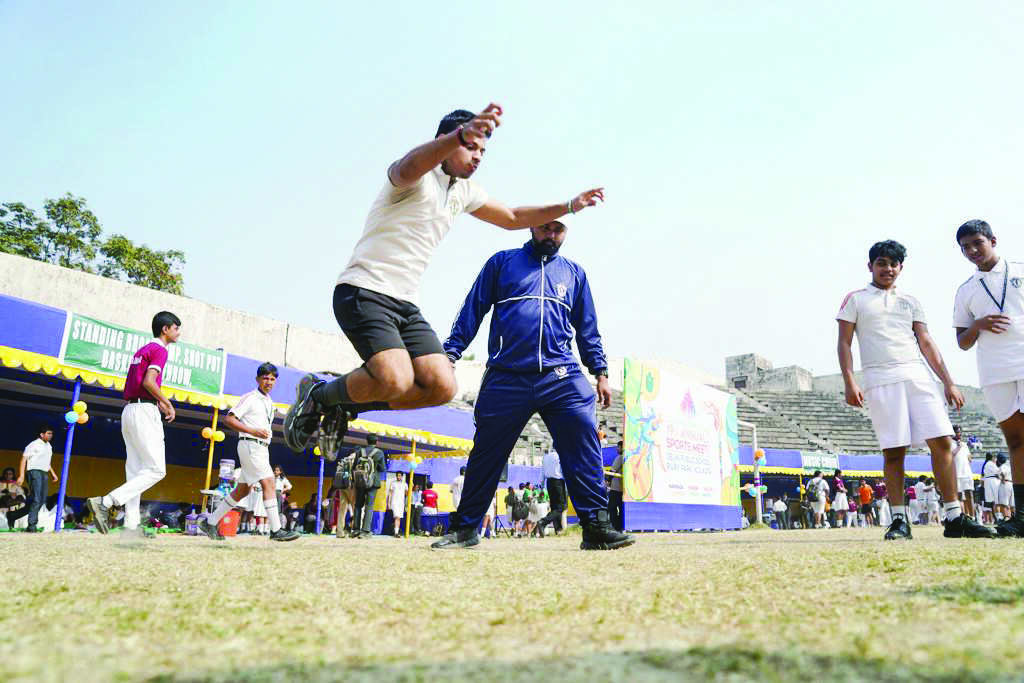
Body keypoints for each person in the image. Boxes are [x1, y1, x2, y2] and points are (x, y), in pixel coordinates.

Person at [281, 104, 606, 458]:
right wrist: (459, 136)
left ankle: (345, 408)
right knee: (396, 378)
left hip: (404, 303)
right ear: (447, 141)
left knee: (441, 386)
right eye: (471, 146)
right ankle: (318, 394)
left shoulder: (463, 191)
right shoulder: (414, 178)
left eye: (483, 150)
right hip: (364, 290)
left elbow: (513, 217)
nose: (478, 156)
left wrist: (569, 206)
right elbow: (408, 165)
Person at [432, 219, 632, 551]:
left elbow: (588, 328)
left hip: (560, 373)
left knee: (583, 439)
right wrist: (450, 352)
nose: (551, 235)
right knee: (486, 453)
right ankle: (465, 529)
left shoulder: (574, 274)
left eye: (559, 230)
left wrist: (600, 372)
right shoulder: (502, 263)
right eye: (545, 228)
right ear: (531, 227)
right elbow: (473, 308)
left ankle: (596, 527)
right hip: (507, 375)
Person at [837, 240, 992, 539]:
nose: (888, 269)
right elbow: (844, 342)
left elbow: (926, 343)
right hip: (881, 380)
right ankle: (898, 520)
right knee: (894, 451)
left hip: (918, 377)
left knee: (943, 443)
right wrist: (849, 381)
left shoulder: (910, 301)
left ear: (901, 268)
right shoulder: (855, 299)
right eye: (882, 263)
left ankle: (954, 516)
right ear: (870, 266)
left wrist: (948, 381)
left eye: (894, 264)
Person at [954, 219, 1024, 536]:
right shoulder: (966, 290)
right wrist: (978, 324)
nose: (972, 251)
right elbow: (962, 342)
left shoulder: (1020, 270)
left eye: (977, 243)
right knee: (1016, 441)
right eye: (965, 247)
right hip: (995, 371)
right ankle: (1021, 516)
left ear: (993, 240)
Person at [86, 311, 181, 534]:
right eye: (176, 328)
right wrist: (166, 402)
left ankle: (131, 524)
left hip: (129, 409)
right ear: (165, 329)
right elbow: (149, 381)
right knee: (157, 470)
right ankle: (106, 501)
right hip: (144, 411)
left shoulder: (142, 350)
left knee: (135, 470)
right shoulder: (160, 350)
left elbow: (141, 382)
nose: (179, 332)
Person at [198, 363, 298, 542]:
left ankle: (210, 523)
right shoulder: (250, 398)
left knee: (242, 490)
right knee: (269, 482)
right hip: (251, 444)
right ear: (258, 379)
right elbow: (229, 418)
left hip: (259, 447)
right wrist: (253, 431)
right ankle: (276, 530)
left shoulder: (268, 401)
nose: (269, 381)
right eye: (265, 378)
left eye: (272, 378)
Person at [5, 425, 58, 532]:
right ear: (42, 434)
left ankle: (13, 515)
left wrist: (53, 473)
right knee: (37, 499)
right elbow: (23, 460)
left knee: (41, 500)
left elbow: (47, 462)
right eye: (48, 433)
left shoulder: (49, 446)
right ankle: (31, 526)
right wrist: (21, 475)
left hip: (43, 473)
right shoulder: (33, 445)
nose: (50, 435)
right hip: (34, 472)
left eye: (51, 433)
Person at [351, 435, 387, 537]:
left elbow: (354, 467)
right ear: (376, 442)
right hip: (372, 482)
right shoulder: (379, 453)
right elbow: (383, 468)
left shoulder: (359, 452)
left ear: (366, 441)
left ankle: (356, 530)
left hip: (360, 481)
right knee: (369, 505)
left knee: (358, 505)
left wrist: (355, 481)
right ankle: (365, 530)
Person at [538, 449, 568, 534]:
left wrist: (542, 487)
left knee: (554, 507)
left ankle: (558, 529)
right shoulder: (560, 455)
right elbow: (564, 470)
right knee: (561, 507)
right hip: (558, 482)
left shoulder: (546, 456)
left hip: (549, 483)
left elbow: (542, 472)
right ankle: (543, 522)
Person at [952, 425, 976, 518]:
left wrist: (970, 457)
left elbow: (969, 458)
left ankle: (973, 517)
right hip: (956, 474)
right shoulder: (949, 443)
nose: (959, 433)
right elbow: (950, 456)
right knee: (958, 496)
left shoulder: (965, 444)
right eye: (957, 431)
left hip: (966, 473)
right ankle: (960, 517)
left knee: (969, 495)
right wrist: (958, 447)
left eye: (960, 431)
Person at [332, 451, 356, 538]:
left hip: (342, 486)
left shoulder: (344, 460)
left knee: (342, 510)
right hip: (352, 487)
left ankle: (340, 532)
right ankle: (356, 530)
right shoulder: (355, 459)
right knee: (356, 509)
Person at [607, 442, 624, 531]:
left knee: (612, 508)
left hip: (616, 488)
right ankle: (619, 526)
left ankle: (615, 526)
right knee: (621, 509)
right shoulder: (627, 457)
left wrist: (607, 481)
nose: (617, 449)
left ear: (622, 447)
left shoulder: (619, 457)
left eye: (618, 447)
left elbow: (612, 471)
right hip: (623, 489)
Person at [386, 471, 408, 536]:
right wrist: (388, 503)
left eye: (400, 476)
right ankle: (396, 532)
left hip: (401, 503)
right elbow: (390, 493)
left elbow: (407, 494)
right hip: (394, 502)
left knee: (398, 518)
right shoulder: (393, 483)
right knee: (397, 517)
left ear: (402, 476)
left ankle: (396, 532)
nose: (398, 477)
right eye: (397, 475)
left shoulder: (405, 484)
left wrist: (410, 488)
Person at [981, 452, 1001, 521]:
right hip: (993, 481)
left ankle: (996, 518)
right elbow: (998, 472)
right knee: (997, 500)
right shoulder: (991, 464)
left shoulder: (986, 464)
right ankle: (998, 517)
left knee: (993, 502)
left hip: (989, 482)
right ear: (992, 457)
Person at [997, 454, 1014, 521]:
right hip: (1011, 483)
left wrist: (1003, 479)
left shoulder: (1002, 466)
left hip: (1005, 483)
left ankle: (1007, 518)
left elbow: (1003, 473)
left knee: (1004, 503)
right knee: (1011, 504)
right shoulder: (1009, 465)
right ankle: (1013, 518)